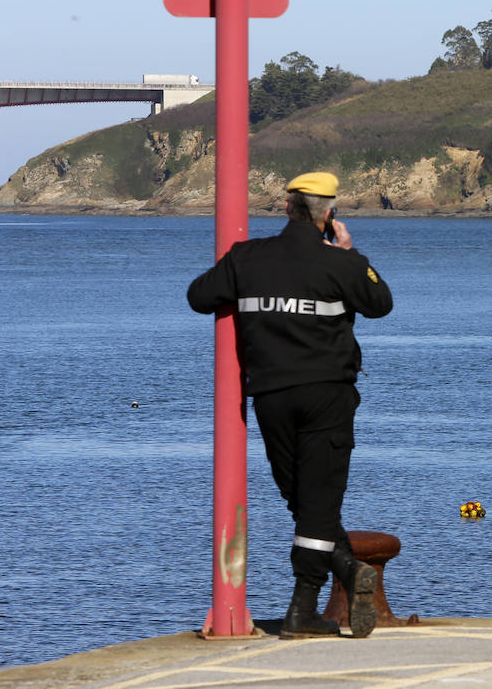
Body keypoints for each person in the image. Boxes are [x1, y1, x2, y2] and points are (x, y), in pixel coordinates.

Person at [187, 171, 393, 639]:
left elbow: (199, 296)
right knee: (315, 501)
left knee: (300, 497)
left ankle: (341, 573)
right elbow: (380, 302)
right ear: (329, 215)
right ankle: (306, 605)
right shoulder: (339, 263)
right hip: (326, 396)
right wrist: (350, 254)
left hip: (271, 397)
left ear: (285, 208)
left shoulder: (247, 257)